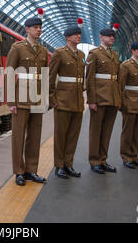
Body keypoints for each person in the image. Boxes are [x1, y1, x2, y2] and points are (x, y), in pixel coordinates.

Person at [6, 17, 49, 186]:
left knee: (35, 135)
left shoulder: (43, 50)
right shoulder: (17, 48)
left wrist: (44, 98)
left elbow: (44, 75)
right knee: (18, 136)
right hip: (21, 97)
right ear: (27, 29)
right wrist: (11, 101)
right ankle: (18, 171)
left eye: (40, 27)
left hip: (37, 97)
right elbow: (9, 73)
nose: (38, 30)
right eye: (35, 27)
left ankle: (31, 170)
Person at [49, 24, 85, 179]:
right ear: (67, 37)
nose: (78, 36)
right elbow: (51, 76)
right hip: (62, 100)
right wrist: (51, 98)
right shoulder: (59, 53)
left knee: (73, 135)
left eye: (79, 34)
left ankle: (68, 164)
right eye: (75, 34)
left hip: (77, 100)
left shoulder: (82, 54)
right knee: (61, 135)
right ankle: (59, 165)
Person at [85, 28, 121, 174]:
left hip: (112, 98)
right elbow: (90, 78)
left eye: (113, 36)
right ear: (101, 37)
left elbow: (117, 78)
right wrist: (91, 100)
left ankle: (103, 159)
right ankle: (94, 161)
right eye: (108, 36)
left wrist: (118, 98)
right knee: (96, 130)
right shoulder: (94, 53)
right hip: (99, 97)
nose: (111, 38)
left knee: (107, 130)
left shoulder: (115, 54)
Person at [119, 41, 138, 169]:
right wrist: (122, 104)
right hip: (130, 103)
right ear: (133, 51)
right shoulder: (126, 66)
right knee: (128, 132)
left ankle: (134, 156)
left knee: (137, 132)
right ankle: (126, 157)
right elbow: (120, 86)